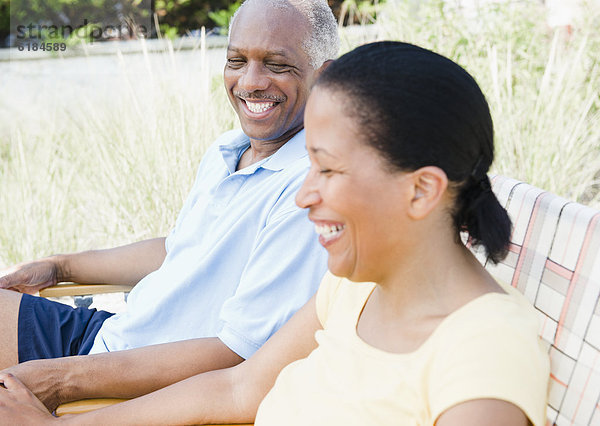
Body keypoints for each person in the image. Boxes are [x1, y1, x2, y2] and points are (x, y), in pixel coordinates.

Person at [0, 41, 550, 425]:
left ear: (422, 191)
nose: (304, 194)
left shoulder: (486, 352)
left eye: (327, 170)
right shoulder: (359, 286)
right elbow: (236, 389)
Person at [0, 0, 338, 410]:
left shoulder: (309, 191)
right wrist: (61, 266)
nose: (250, 81)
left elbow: (238, 355)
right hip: (111, 338)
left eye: (276, 64)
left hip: (136, 381)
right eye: (236, 60)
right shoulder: (227, 150)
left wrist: (61, 380)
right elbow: (182, 250)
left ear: (324, 77)